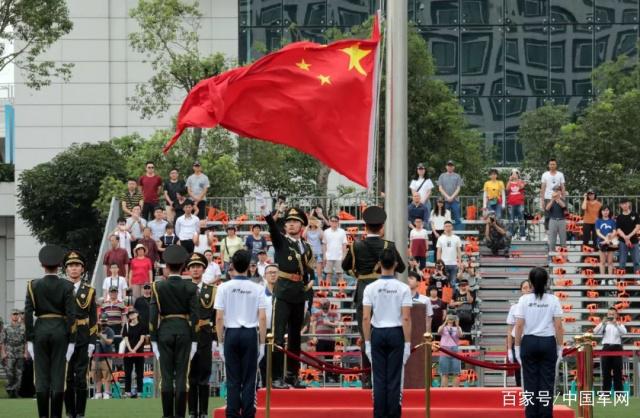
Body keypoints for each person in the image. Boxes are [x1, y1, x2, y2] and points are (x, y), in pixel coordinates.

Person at [342, 206, 406, 388]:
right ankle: (385, 376)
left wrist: (359, 275)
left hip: (363, 290)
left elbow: (345, 266)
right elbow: (401, 268)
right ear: (382, 227)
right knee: (387, 331)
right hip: (385, 292)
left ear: (365, 226)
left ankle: (367, 378)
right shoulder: (388, 246)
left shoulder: (356, 246)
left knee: (366, 337)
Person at [261, 205, 315, 388]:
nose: (291, 224)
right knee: (277, 336)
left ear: (302, 226)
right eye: (289, 222)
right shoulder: (282, 241)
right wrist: (267, 214)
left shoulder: (306, 247)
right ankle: (276, 377)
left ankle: (292, 375)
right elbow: (273, 229)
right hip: (283, 293)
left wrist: (308, 297)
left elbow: (309, 274)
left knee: (295, 338)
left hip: (299, 294)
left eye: (295, 222)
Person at [24, 245, 76, 418]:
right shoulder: (67, 286)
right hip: (61, 331)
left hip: (40, 331)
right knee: (58, 375)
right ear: (60, 266)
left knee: (41, 376)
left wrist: (29, 339)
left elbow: (28, 314)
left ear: (42, 265)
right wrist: (72, 340)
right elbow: (71, 315)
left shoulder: (33, 285)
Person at [214, 249, 267, 418]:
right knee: (250, 378)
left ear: (232, 265)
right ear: (249, 266)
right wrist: (262, 344)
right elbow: (262, 318)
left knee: (232, 378)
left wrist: (220, 343)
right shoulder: (258, 288)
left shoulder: (223, 287)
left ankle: (232, 414)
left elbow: (219, 318)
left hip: (231, 333)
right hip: (250, 334)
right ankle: (248, 414)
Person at [362, 248, 412, 418]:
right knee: (395, 378)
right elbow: (406, 318)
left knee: (378, 378)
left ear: (379, 264)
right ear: (396, 264)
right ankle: (393, 414)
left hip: (377, 333)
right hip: (396, 332)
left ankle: (379, 414)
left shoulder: (370, 288)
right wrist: (407, 343)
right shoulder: (403, 288)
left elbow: (366, 317)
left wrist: (367, 342)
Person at [150, 245, 199, 418]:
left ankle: (167, 415)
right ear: (184, 267)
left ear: (167, 266)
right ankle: (179, 415)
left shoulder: (158, 287)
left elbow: (153, 316)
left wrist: (153, 339)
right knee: (181, 378)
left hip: (164, 332)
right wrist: (195, 339)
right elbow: (195, 317)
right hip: (184, 332)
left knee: (166, 376)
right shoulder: (191, 287)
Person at [514, 267, 564, 418]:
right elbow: (558, 326)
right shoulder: (553, 299)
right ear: (546, 281)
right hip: (548, 342)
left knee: (530, 383)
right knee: (547, 383)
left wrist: (516, 347)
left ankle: (531, 415)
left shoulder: (524, 300)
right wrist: (560, 347)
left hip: (529, 341)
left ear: (530, 282)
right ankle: (545, 415)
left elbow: (519, 325)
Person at [63, 251, 97, 418]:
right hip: (65, 337)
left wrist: (92, 341)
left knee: (81, 377)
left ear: (82, 269)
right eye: (70, 266)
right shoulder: (61, 288)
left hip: (83, 336)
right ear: (66, 269)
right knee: (67, 377)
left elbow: (93, 317)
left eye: (77, 265)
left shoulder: (89, 290)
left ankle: (81, 412)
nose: (74, 268)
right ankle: (70, 412)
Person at [185, 252, 217, 418]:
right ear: (188, 270)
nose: (195, 269)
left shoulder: (212, 290)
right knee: (191, 377)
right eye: (192, 267)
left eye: (198, 266)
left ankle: (203, 412)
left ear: (204, 269)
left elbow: (216, 316)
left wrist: (215, 339)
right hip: (188, 336)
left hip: (205, 336)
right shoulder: (183, 289)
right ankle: (192, 411)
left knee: (204, 375)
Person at [594, 307, 626, 392]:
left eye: (613, 314)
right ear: (607, 315)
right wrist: (602, 323)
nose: (611, 316)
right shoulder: (604, 324)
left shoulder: (619, 324)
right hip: (606, 347)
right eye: (609, 314)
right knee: (606, 372)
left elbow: (624, 332)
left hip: (617, 348)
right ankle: (605, 393)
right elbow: (595, 331)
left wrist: (616, 324)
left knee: (618, 372)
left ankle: (619, 393)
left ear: (616, 315)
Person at [506, 280, 531, 387]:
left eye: (530, 287)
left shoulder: (538, 306)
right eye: (525, 288)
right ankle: (520, 392)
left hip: (531, 341)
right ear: (521, 290)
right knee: (518, 373)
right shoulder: (514, 307)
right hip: (517, 341)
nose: (528, 290)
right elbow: (509, 329)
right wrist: (509, 350)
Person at [310, 299, 340, 383]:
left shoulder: (334, 314)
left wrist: (328, 323)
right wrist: (314, 336)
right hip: (320, 339)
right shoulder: (317, 314)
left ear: (329, 305)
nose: (325, 305)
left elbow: (337, 324)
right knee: (319, 358)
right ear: (321, 305)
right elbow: (313, 325)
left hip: (330, 339)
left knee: (329, 359)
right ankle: (320, 375)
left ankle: (329, 376)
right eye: (324, 304)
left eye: (326, 304)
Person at [258, 264, 278, 387]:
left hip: (279, 331)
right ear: (265, 275)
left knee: (278, 361)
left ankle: (278, 386)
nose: (273, 275)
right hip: (264, 331)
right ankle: (265, 387)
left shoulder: (283, 293)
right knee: (264, 362)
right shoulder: (260, 293)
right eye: (270, 272)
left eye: (275, 272)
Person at [122, 309, 148, 398]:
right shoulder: (126, 325)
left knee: (139, 373)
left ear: (137, 314)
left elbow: (142, 339)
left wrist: (134, 350)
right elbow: (126, 339)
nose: (131, 315)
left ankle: (140, 391)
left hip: (139, 352)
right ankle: (127, 391)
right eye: (129, 314)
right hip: (128, 352)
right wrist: (130, 349)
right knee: (127, 373)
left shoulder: (142, 325)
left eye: (133, 313)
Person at [1, 309, 26, 398]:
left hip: (20, 353)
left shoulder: (23, 328)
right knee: (10, 372)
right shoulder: (6, 327)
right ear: (11, 316)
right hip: (10, 353)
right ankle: (10, 389)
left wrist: (26, 353)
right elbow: (2, 342)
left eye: (17, 314)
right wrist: (3, 353)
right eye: (14, 314)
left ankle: (16, 391)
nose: (15, 316)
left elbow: (25, 342)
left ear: (19, 316)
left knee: (19, 373)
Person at [540, 159, 566, 233]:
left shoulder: (560, 174)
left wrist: (563, 197)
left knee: (558, 216)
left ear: (556, 165)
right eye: (551, 164)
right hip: (548, 198)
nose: (552, 166)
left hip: (558, 198)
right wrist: (542, 200)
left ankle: (557, 233)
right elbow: (543, 188)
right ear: (548, 165)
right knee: (547, 216)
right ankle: (547, 232)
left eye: (553, 164)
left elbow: (563, 186)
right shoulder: (545, 174)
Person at [92, 314, 115, 400]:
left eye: (105, 321)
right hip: (95, 357)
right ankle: (98, 393)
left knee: (107, 376)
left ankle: (106, 392)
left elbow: (110, 341)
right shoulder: (94, 329)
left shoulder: (110, 331)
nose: (103, 323)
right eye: (102, 321)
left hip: (106, 356)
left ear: (107, 321)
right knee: (96, 376)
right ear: (99, 321)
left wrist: (101, 336)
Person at [437, 314, 463, 387]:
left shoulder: (458, 328)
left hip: (454, 350)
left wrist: (457, 325)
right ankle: (444, 391)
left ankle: (455, 391)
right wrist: (445, 321)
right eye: (449, 318)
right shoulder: (443, 327)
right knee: (444, 373)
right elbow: (439, 332)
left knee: (456, 373)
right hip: (445, 349)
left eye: (452, 318)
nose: (450, 319)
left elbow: (460, 335)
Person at [616, 198, 640, 273]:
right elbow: (618, 229)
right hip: (622, 241)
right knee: (622, 262)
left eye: (626, 203)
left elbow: (637, 227)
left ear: (629, 204)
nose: (625, 205)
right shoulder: (619, 217)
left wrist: (628, 236)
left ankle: (637, 278)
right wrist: (625, 238)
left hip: (634, 241)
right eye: (623, 204)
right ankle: (621, 279)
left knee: (637, 261)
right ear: (620, 205)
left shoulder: (635, 214)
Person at [438, 160, 464, 227]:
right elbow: (440, 188)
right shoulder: (442, 176)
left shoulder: (457, 176)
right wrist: (447, 197)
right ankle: (443, 232)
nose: (450, 167)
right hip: (444, 201)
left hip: (455, 200)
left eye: (451, 166)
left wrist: (452, 197)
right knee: (443, 218)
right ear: (446, 167)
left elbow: (458, 188)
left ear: (454, 167)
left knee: (457, 218)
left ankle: (458, 233)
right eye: (448, 165)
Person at [322, 215, 348, 284]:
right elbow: (324, 244)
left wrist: (344, 256)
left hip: (339, 256)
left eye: (336, 221)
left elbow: (344, 244)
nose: (334, 223)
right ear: (329, 222)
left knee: (340, 274)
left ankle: (341, 290)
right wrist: (324, 256)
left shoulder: (342, 231)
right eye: (332, 221)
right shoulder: (326, 232)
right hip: (329, 256)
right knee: (328, 274)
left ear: (338, 222)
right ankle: (328, 290)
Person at [436, 221, 462, 288]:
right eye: (446, 226)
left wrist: (459, 262)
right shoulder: (440, 238)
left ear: (452, 227)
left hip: (454, 264)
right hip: (444, 264)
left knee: (453, 283)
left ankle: (453, 295)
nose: (448, 228)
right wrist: (438, 264)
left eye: (449, 226)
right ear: (444, 227)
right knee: (444, 283)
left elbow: (459, 251)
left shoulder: (457, 238)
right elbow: (439, 251)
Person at [596, 206, 618, 277]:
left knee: (610, 262)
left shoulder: (612, 221)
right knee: (602, 262)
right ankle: (602, 278)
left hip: (611, 242)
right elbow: (598, 232)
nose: (605, 212)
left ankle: (610, 278)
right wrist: (605, 239)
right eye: (604, 210)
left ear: (609, 211)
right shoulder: (598, 221)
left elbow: (614, 232)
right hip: (601, 242)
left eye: (607, 210)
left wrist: (608, 239)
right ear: (601, 212)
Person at [506, 169, 527, 240]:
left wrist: (517, 180)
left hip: (520, 203)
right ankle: (511, 235)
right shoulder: (509, 182)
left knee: (521, 220)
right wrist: (510, 180)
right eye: (512, 173)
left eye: (515, 173)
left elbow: (521, 187)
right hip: (511, 204)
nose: (514, 175)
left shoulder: (521, 181)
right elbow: (507, 189)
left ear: (518, 175)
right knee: (511, 220)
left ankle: (522, 235)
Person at [545, 185, 567, 251]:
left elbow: (564, 206)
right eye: (554, 190)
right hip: (553, 220)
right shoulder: (550, 200)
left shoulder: (563, 199)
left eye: (557, 190)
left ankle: (564, 255)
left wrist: (557, 199)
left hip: (562, 220)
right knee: (552, 240)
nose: (556, 191)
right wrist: (552, 199)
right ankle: (552, 255)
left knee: (563, 239)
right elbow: (547, 208)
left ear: (560, 192)